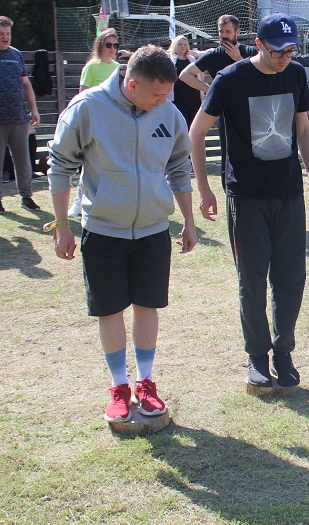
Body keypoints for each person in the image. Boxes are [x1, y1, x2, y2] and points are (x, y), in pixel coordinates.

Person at [47, 45, 197, 422]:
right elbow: (60, 166)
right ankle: (119, 386)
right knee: (110, 309)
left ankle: (145, 382)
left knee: (148, 306)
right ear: (132, 84)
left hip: (152, 230)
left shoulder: (168, 112)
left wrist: (189, 221)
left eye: (167, 94)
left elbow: (180, 167)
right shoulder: (87, 108)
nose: (163, 101)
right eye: (157, 94)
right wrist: (62, 225)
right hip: (103, 230)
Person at [188, 13, 309, 388]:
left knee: (291, 277)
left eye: (291, 51)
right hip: (246, 196)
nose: (285, 58)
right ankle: (257, 356)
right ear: (260, 45)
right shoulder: (230, 79)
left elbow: (303, 129)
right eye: (278, 51)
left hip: (288, 193)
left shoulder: (296, 74)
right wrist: (204, 189)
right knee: (252, 281)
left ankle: (283, 352)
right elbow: (196, 133)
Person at [179, 15, 259, 187]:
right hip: (226, 113)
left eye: (228, 31)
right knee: (228, 152)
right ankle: (229, 188)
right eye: (221, 31)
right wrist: (210, 90)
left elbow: (261, 76)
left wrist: (239, 59)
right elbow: (185, 75)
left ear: (237, 32)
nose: (224, 35)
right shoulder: (214, 55)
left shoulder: (251, 52)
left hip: (253, 111)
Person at [0, 15, 41, 214]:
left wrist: (33, 108)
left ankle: (26, 197)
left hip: (18, 117)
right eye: (1, 34)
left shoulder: (15, 54)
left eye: (8, 34)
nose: (5, 37)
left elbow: (25, 84)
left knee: (23, 161)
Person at [69, 28, 125, 218]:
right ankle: (79, 200)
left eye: (115, 45)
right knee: (90, 163)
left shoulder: (118, 68)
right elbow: (83, 96)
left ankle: (111, 201)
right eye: (108, 44)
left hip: (114, 123)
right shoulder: (91, 67)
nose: (112, 48)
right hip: (95, 122)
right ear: (100, 45)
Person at [168, 34, 203, 127]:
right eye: (180, 44)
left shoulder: (191, 59)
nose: (183, 46)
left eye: (185, 44)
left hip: (194, 98)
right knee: (182, 125)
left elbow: (200, 76)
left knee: (194, 126)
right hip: (178, 99)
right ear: (175, 45)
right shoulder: (169, 60)